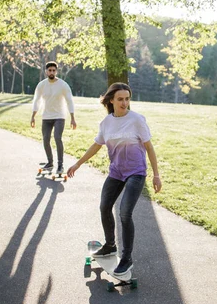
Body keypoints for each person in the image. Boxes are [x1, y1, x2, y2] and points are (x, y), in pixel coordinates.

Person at [67, 82, 162, 277]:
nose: (125, 103)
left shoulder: (137, 120)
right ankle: (110, 245)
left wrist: (156, 174)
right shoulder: (106, 123)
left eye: (127, 99)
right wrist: (78, 164)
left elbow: (150, 148)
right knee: (104, 206)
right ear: (111, 100)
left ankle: (126, 258)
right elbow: (96, 145)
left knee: (125, 213)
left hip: (136, 172)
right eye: (120, 99)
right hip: (116, 172)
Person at [31, 61, 77, 174]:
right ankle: (50, 163)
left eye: (53, 70)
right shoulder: (41, 85)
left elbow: (69, 101)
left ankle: (60, 165)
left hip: (59, 116)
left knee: (57, 137)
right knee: (46, 139)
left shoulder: (63, 85)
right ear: (46, 71)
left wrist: (72, 117)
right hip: (46, 116)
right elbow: (36, 101)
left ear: (56, 71)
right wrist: (33, 116)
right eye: (49, 70)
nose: (51, 72)